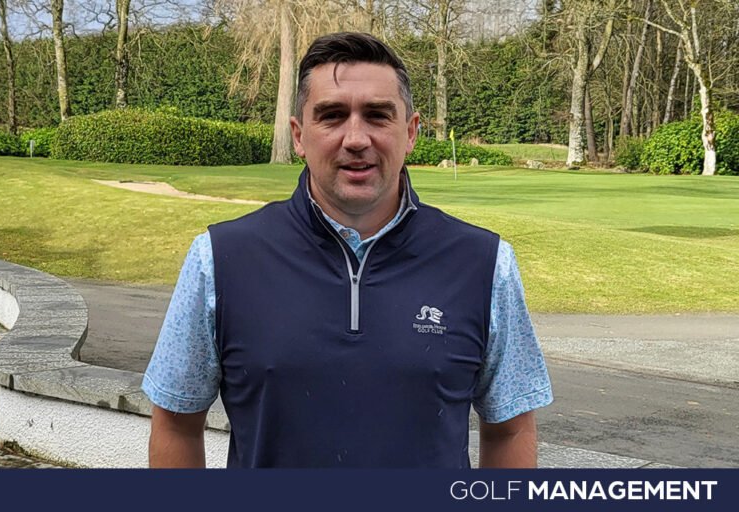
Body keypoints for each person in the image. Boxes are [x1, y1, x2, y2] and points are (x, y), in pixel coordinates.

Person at [143, 32, 552, 469]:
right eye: (332, 116)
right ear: (299, 136)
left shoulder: (485, 264)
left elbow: (510, 428)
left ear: (410, 133)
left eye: (377, 115)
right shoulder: (219, 260)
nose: (356, 138)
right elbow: (176, 424)